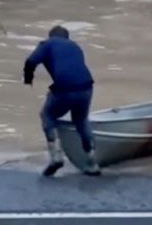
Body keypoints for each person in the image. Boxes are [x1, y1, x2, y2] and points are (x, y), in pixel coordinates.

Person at [24, 25, 102, 177]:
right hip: (87, 87)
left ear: (50, 36)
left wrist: (28, 78)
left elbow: (31, 61)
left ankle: (56, 157)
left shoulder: (47, 44)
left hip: (65, 88)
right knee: (81, 119)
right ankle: (92, 162)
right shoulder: (75, 46)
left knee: (47, 115)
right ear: (67, 37)